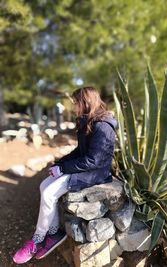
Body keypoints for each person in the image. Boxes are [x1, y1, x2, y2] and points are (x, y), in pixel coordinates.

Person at [13, 86, 119, 264]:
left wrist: (63, 170)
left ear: (85, 103)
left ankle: (37, 239)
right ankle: (54, 233)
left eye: (76, 103)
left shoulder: (103, 126)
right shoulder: (89, 121)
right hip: (85, 167)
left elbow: (94, 160)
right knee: (43, 185)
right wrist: (60, 163)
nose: (74, 106)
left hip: (95, 173)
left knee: (49, 193)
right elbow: (80, 151)